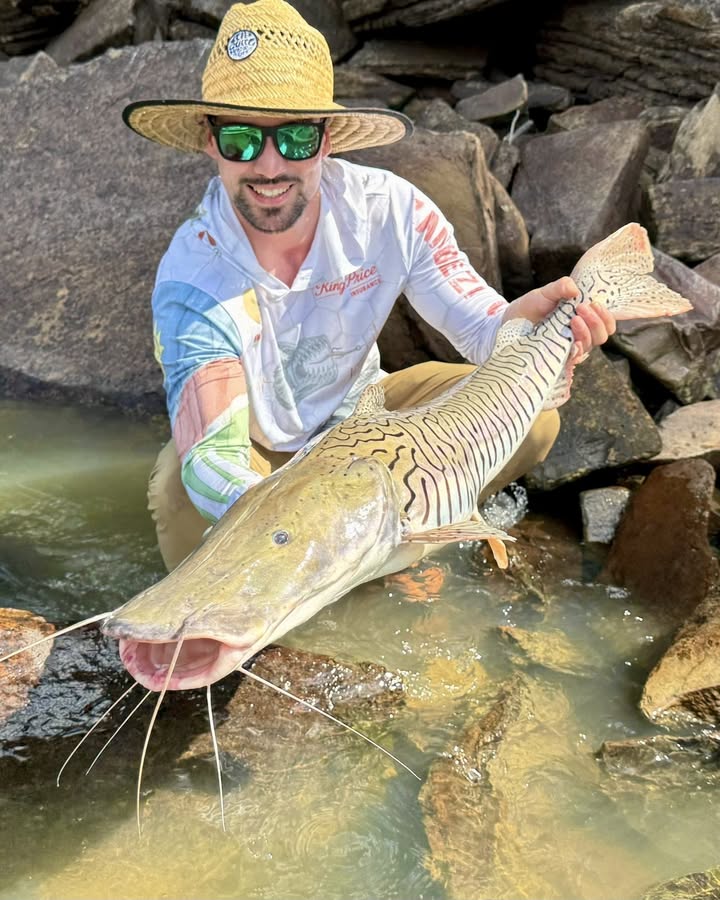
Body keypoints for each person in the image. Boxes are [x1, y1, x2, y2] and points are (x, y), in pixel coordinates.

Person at [123, 0, 616, 572]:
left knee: (534, 418)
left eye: (296, 138)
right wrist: (314, 522)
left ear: (327, 139)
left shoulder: (392, 211)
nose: (269, 167)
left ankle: (419, 534)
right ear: (210, 142)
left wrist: (522, 323)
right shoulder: (192, 279)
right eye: (241, 139)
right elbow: (214, 455)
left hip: (368, 421)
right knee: (177, 494)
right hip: (257, 449)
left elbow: (482, 329)